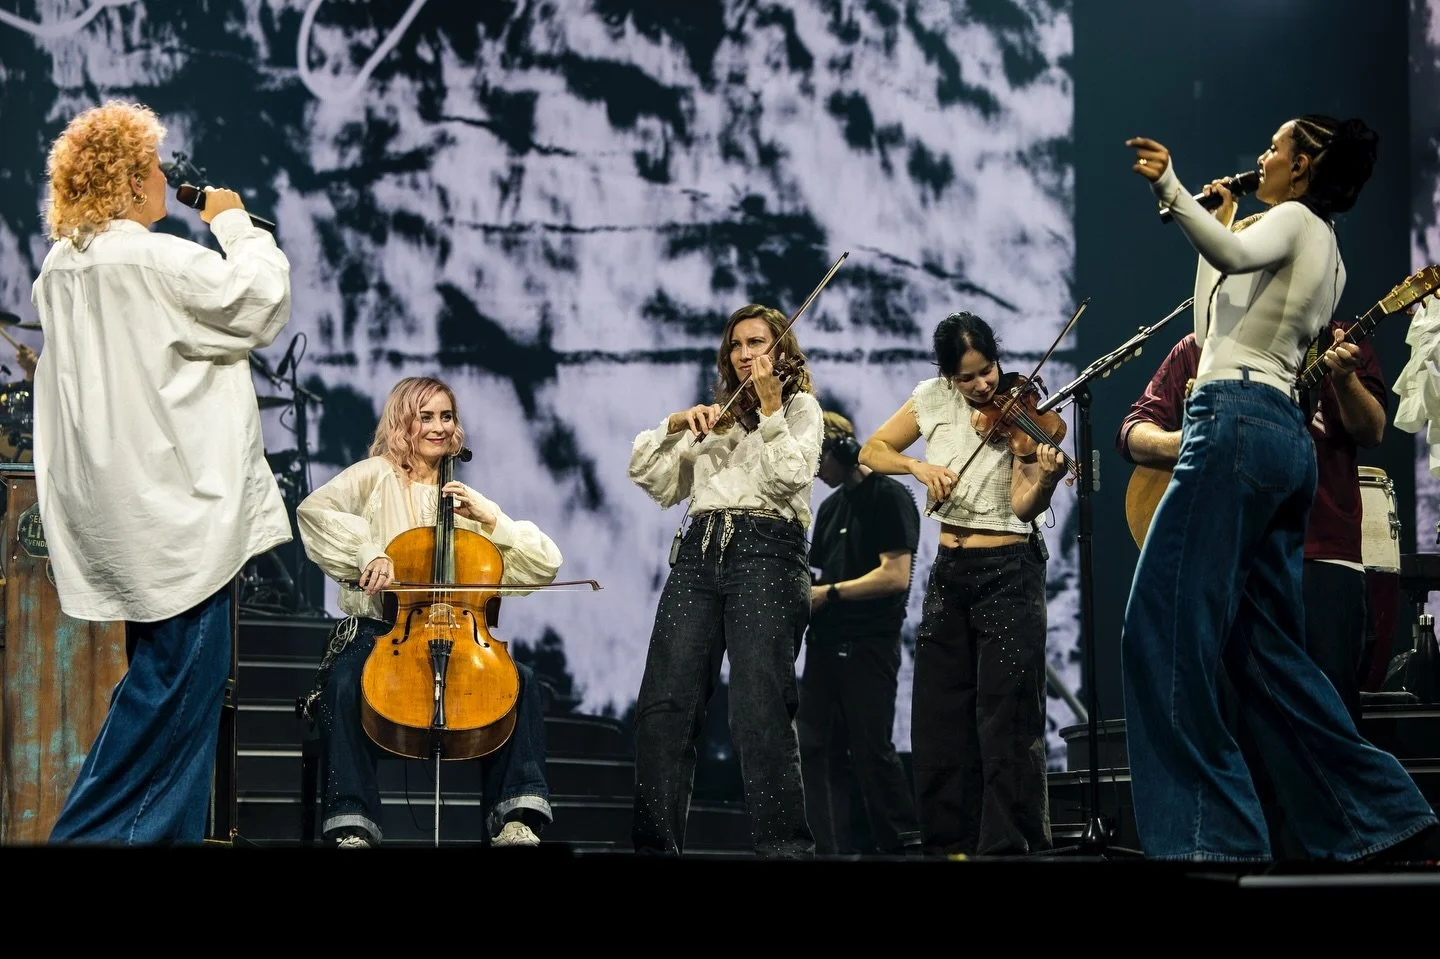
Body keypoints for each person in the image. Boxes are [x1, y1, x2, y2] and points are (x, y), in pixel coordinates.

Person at [1120, 116, 1439, 862]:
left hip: (1234, 424)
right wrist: (1216, 217)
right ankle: (1381, 817)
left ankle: (1211, 834)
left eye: (1273, 147)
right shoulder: (1325, 252)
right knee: (1264, 651)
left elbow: (1229, 258)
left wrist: (1172, 188)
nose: (1259, 156)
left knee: (1160, 626)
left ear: (1304, 167)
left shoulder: (1296, 221)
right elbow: (1215, 316)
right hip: (1278, 440)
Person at [32, 100, 292, 843]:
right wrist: (235, 222)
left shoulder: (60, 269)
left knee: (160, 693)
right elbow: (259, 301)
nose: (160, 178)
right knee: (174, 700)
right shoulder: (150, 258)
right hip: (177, 518)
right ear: (127, 178)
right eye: (150, 166)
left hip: (123, 519)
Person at [296, 375, 563, 848]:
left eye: (446, 416)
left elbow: (543, 564)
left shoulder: (461, 499)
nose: (439, 427)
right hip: (380, 629)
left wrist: (492, 520)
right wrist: (368, 552)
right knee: (344, 685)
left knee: (519, 682)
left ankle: (516, 818)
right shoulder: (375, 474)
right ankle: (352, 822)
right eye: (426, 417)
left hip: (457, 633)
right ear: (404, 421)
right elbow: (315, 512)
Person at [859, 312, 1066, 856]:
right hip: (949, 575)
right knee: (940, 716)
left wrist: (1043, 475)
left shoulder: (1022, 415)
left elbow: (1023, 507)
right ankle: (950, 845)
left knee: (1006, 720)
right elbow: (871, 450)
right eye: (968, 378)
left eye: (988, 371)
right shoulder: (930, 398)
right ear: (948, 376)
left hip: (1008, 573)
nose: (982, 386)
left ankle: (1009, 848)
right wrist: (919, 469)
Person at [1119, 321, 1385, 726]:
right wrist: (1196, 441)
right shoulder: (1201, 346)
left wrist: (1345, 380)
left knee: (1330, 720)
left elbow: (1373, 429)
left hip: (1324, 557)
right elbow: (1132, 433)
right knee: (1238, 723)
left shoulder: (1340, 338)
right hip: (1229, 560)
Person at [628, 303, 822, 858]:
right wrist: (673, 426)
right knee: (664, 705)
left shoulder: (800, 408)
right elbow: (657, 481)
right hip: (699, 553)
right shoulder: (721, 418)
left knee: (760, 710)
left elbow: (790, 479)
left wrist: (769, 410)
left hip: (766, 553)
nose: (745, 355)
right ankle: (655, 846)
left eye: (758, 343)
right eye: (737, 345)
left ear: (781, 351)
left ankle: (784, 848)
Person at [796, 410, 923, 856]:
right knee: (813, 752)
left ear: (844, 450)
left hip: (869, 647)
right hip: (825, 649)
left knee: (872, 754)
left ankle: (901, 849)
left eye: (819, 458)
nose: (814, 469)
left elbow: (894, 576)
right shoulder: (829, 509)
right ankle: (828, 850)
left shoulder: (889, 497)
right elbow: (814, 575)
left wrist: (828, 593)